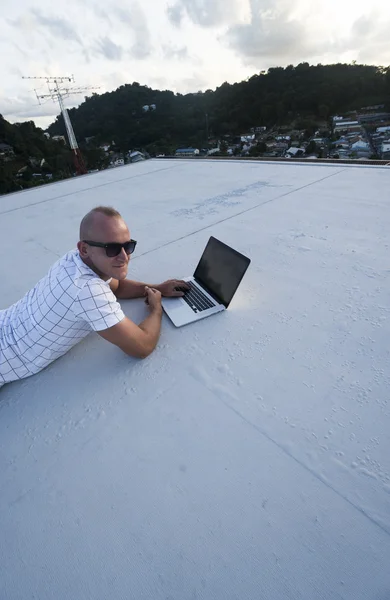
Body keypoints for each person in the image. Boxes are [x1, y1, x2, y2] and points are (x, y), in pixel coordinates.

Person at [0, 206, 189, 386]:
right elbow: (142, 346)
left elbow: (117, 286)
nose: (124, 257)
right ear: (84, 249)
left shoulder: (74, 260)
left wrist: (158, 288)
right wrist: (156, 309)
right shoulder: (87, 291)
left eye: (128, 246)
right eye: (112, 249)